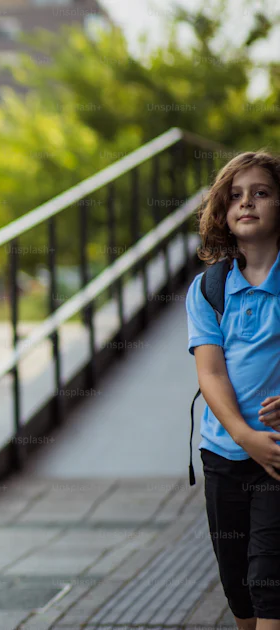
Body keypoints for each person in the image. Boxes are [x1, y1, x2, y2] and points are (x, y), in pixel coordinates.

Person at [187, 151, 280, 630]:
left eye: (261, 192)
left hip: (278, 457)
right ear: (222, 211)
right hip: (225, 452)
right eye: (236, 196)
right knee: (238, 589)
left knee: (269, 586)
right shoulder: (209, 289)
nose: (248, 203)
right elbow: (212, 375)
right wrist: (245, 435)